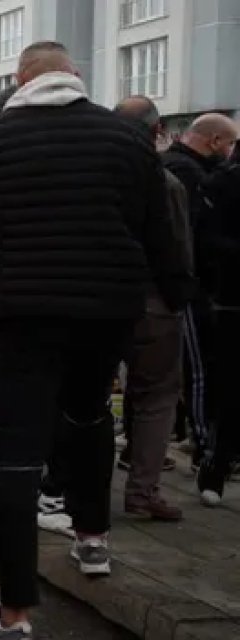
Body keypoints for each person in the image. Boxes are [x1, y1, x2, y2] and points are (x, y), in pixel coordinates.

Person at [0, 43, 189, 639]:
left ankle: (15, 611)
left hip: (22, 311)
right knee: (89, 416)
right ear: (73, 76)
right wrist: (178, 296)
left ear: (21, 81)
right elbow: (161, 230)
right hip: (108, 310)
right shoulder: (129, 138)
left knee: (15, 451)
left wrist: (3, 251)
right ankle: (93, 540)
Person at [111, 96, 195, 522]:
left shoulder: (94, 177)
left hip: (98, 298)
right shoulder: (164, 183)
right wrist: (179, 295)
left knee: (84, 398)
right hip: (152, 301)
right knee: (157, 396)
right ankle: (143, 492)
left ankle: (66, 491)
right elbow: (177, 249)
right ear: (156, 129)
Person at [163, 113, 238, 462]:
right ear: (215, 142)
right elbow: (193, 235)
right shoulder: (191, 175)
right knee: (200, 368)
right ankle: (205, 444)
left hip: (188, 283)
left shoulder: (179, 167)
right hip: (189, 285)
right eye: (230, 143)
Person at [196, 120, 240, 507]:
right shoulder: (224, 183)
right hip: (229, 300)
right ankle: (216, 465)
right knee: (228, 388)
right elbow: (207, 240)